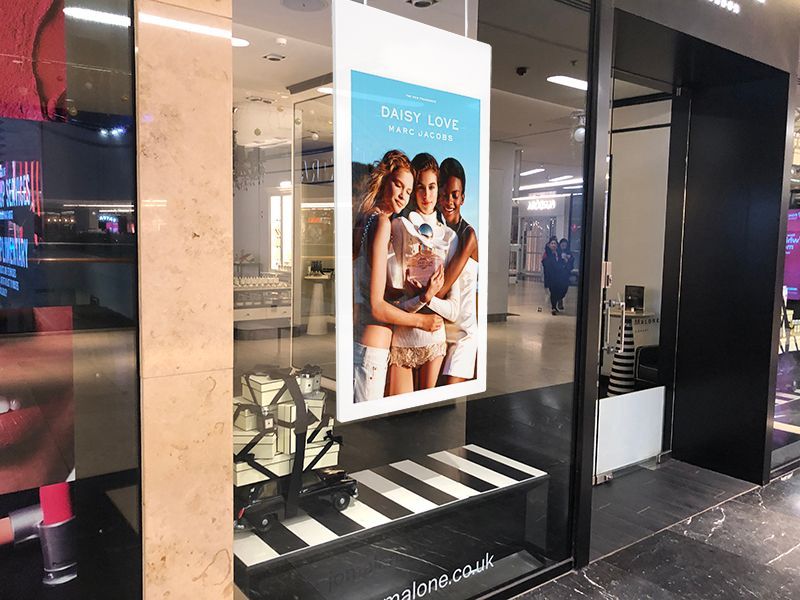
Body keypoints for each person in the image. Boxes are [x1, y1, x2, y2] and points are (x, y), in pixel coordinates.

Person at [352, 150, 443, 403]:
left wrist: (400, 292)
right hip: (373, 346)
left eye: (408, 189)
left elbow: (368, 284)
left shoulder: (364, 218)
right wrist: (421, 322)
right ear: (385, 180)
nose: (403, 195)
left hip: (361, 340)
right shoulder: (381, 223)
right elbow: (378, 308)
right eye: (398, 185)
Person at [387, 153, 460, 394]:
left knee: (427, 420)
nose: (426, 196)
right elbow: (391, 304)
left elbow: (453, 310)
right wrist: (423, 298)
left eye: (431, 187)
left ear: (438, 188)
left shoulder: (449, 238)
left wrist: (431, 298)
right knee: (400, 416)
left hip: (434, 339)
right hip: (403, 337)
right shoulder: (399, 228)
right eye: (420, 187)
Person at [436, 157, 478, 384]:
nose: (449, 201)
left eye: (455, 194)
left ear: (463, 197)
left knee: (448, 399)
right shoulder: (436, 233)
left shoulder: (468, 236)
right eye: (444, 194)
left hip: (463, 334)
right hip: (440, 331)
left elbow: (442, 288)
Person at [542, 238, 569, 315]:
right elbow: (547, 265)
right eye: (552, 243)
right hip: (551, 276)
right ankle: (553, 307)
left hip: (560, 277)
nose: (553, 245)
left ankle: (556, 302)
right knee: (553, 291)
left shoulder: (559, 254)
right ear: (549, 245)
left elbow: (564, 263)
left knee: (562, 290)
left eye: (555, 243)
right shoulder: (547, 254)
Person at [557, 238, 575, 311]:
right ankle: (558, 301)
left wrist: (567, 260)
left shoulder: (569, 253)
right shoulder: (557, 253)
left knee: (564, 289)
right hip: (558, 274)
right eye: (562, 244)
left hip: (565, 274)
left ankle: (560, 298)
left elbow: (571, 263)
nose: (563, 246)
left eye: (565, 245)